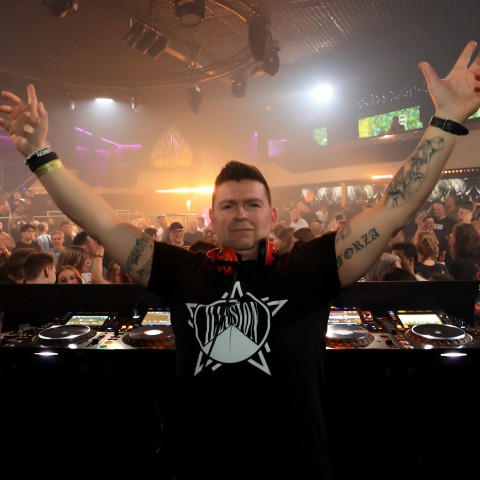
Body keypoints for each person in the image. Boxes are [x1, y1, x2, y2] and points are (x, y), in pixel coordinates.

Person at [1, 40, 479, 480]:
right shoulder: (180, 271)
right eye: (228, 205)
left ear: (272, 216)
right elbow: (102, 222)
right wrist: (40, 154)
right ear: (211, 219)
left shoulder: (310, 267)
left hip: (297, 472)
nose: (241, 213)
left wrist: (447, 120)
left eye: (252, 204)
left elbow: (394, 208)